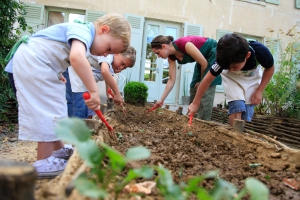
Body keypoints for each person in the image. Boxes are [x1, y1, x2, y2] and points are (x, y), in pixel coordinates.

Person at [4, 13, 131, 178]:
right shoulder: (83, 30)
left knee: (58, 107)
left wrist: (57, 72)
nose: (105, 55)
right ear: (103, 30)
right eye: (108, 49)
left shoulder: (82, 33)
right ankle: (43, 161)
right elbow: (76, 57)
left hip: (40, 64)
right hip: (34, 63)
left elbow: (55, 52)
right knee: (48, 110)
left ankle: (58, 150)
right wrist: (93, 91)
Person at [188, 33, 274, 126]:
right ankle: (234, 133)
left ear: (247, 55)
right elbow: (206, 80)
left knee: (247, 110)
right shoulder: (222, 61)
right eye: (227, 67)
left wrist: (259, 90)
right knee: (237, 108)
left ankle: (239, 135)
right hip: (232, 79)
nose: (231, 69)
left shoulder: (261, 52)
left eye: (234, 66)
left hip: (251, 78)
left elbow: (270, 69)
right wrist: (195, 103)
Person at [150, 35, 222, 120]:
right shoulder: (171, 57)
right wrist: (161, 99)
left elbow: (204, 64)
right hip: (202, 60)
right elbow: (171, 80)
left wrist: (201, 81)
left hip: (212, 53)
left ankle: (203, 122)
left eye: (158, 53)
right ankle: (192, 119)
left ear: (164, 46)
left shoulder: (185, 45)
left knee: (205, 90)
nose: (158, 56)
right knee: (194, 87)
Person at [64, 46, 136, 119]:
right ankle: (75, 128)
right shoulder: (108, 55)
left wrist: (110, 97)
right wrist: (117, 94)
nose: (121, 67)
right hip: (74, 75)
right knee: (78, 108)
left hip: (83, 82)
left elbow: (108, 80)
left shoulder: (110, 66)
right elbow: (104, 71)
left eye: (124, 68)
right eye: (122, 63)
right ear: (117, 53)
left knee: (88, 109)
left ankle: (85, 126)